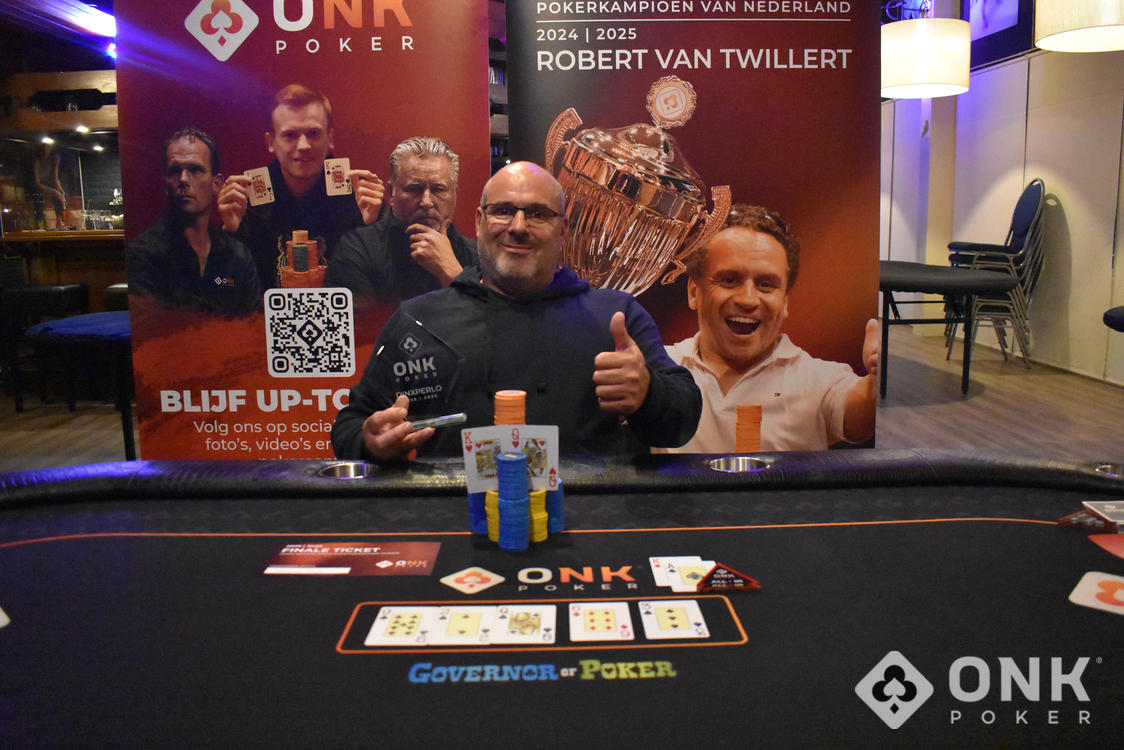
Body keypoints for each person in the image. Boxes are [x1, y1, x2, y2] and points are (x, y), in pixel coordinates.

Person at [331, 161, 701, 460]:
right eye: (504, 211)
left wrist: (648, 392)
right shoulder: (419, 320)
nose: (518, 227)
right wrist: (372, 442)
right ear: (479, 222)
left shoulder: (615, 316)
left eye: (538, 213)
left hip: (585, 522)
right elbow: (350, 426)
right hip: (454, 521)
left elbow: (681, 423)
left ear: (562, 231)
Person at [659, 204, 879, 453]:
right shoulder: (657, 368)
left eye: (766, 285)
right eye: (729, 280)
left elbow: (860, 416)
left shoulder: (818, 381)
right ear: (693, 292)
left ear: (784, 302)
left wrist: (879, 381)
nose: (748, 300)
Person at [217, 84, 382, 290]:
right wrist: (230, 234)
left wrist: (374, 228)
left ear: (330, 139)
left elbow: (383, 288)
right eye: (290, 135)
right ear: (271, 142)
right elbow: (223, 285)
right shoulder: (246, 202)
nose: (303, 145)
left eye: (313, 133)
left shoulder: (359, 198)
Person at [323, 136, 477, 304]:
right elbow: (362, 321)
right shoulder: (357, 249)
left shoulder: (479, 257)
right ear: (391, 193)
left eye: (438, 189)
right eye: (414, 189)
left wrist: (452, 273)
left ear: (455, 195)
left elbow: (490, 320)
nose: (426, 202)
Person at [127, 128, 260, 316]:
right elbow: (149, 327)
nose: (183, 179)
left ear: (216, 184)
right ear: (165, 183)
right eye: (175, 171)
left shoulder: (239, 255)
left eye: (195, 170)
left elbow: (253, 324)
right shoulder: (144, 253)